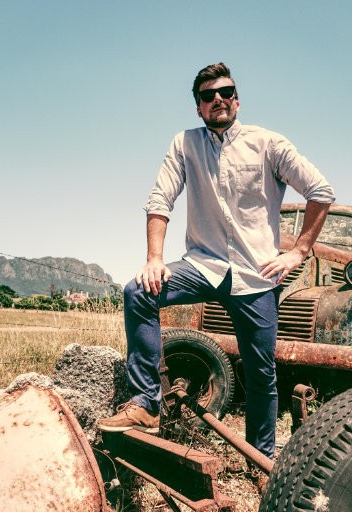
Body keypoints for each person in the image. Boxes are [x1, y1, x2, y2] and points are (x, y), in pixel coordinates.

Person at [97, 62, 334, 459]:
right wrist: (154, 258)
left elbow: (320, 191)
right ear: (199, 107)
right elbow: (159, 199)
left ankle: (260, 459)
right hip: (203, 265)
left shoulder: (268, 143)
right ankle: (145, 403)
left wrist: (298, 251)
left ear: (237, 100)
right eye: (208, 96)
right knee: (138, 290)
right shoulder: (185, 144)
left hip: (256, 275)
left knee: (260, 374)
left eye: (226, 92)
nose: (218, 99)